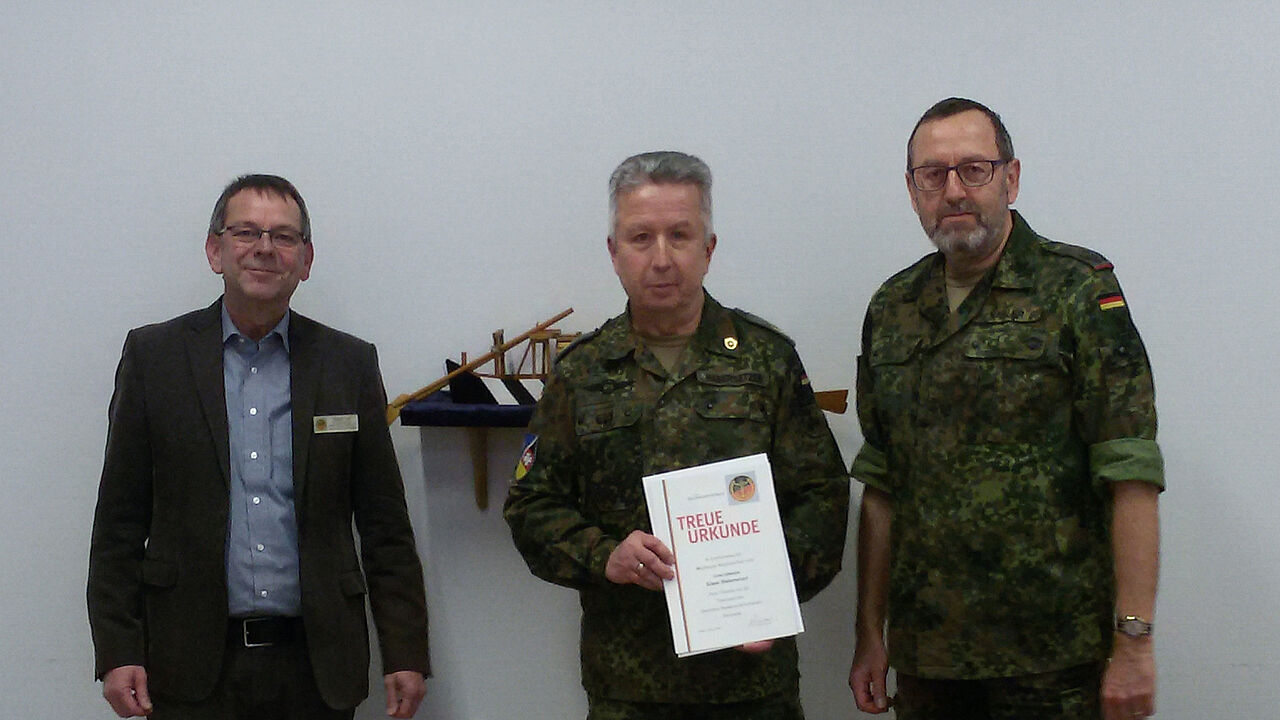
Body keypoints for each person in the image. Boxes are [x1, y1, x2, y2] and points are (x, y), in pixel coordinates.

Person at [847, 98, 1164, 720]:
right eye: (932, 174)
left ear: (1011, 179)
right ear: (912, 191)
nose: (953, 190)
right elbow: (882, 487)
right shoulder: (893, 307)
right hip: (929, 657)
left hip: (1052, 657)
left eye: (975, 169)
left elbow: (1130, 471)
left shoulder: (1077, 287)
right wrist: (869, 634)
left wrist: (1134, 641)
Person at [503, 151, 849, 719]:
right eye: (641, 238)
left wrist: (769, 593)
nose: (661, 258)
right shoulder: (581, 372)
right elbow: (532, 506)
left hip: (751, 686)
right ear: (614, 253)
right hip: (629, 686)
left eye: (680, 236)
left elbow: (823, 498)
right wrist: (605, 555)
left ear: (708, 249)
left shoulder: (767, 360)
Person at [88, 174, 430, 719]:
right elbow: (119, 521)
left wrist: (405, 650)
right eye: (246, 232)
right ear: (214, 250)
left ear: (306, 260)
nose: (265, 248)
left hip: (316, 667)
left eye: (284, 236)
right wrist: (117, 649)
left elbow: (385, 525)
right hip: (187, 662)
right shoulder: (155, 358)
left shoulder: (348, 364)